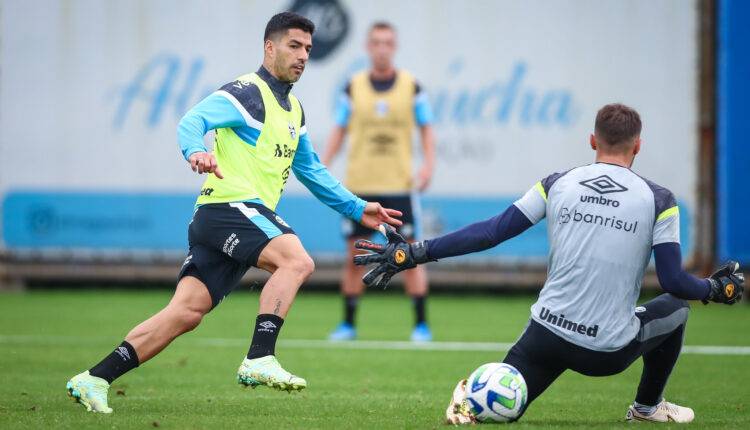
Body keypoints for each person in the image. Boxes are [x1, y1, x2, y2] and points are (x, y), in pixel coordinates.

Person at [65, 12, 402, 414]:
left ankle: (94, 378)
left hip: (223, 219)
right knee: (296, 262)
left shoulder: (293, 110)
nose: (303, 56)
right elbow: (193, 121)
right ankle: (260, 357)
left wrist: (357, 206)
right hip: (228, 207)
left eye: (308, 49)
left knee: (186, 313)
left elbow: (311, 170)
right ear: (270, 47)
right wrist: (197, 152)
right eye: (294, 46)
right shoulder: (247, 92)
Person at [353, 104, 745, 424]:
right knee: (674, 309)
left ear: (592, 140)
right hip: (605, 352)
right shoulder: (659, 199)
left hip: (545, 337)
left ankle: (472, 398)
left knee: (503, 404)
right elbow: (674, 280)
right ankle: (646, 408)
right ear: (637, 147)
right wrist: (714, 289)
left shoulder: (558, 182)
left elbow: (492, 232)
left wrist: (415, 253)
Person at [322, 21, 436, 342]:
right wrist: (323, 166)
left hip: (399, 187)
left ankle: (421, 326)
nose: (382, 48)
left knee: (411, 256)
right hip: (359, 187)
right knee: (354, 257)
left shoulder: (412, 87)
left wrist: (427, 165)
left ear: (394, 47)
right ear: (368, 48)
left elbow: (427, 129)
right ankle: (347, 324)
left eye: (388, 42)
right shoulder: (352, 87)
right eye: (376, 43)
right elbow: (339, 130)